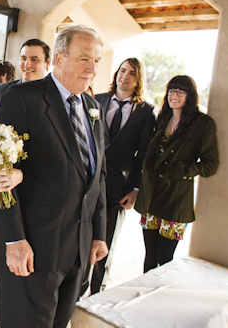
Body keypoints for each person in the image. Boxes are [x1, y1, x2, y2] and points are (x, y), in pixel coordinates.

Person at [0, 25, 108, 328]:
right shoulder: (22, 98)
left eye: (96, 60)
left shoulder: (93, 107)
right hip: (34, 247)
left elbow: (98, 177)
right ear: (59, 58)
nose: (92, 68)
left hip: (79, 251)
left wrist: (98, 233)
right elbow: (0, 175)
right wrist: (14, 239)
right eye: (84, 59)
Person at [0, 38, 51, 328]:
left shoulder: (53, 97)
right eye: (23, 58)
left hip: (38, 193)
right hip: (1, 190)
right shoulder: (4, 91)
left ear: (47, 63)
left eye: (34, 59)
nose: (27, 65)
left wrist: (24, 173)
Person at [135, 75, 219, 273]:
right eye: (171, 91)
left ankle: (161, 299)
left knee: (165, 259)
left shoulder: (202, 124)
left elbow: (210, 164)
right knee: (149, 257)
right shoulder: (163, 118)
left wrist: (182, 170)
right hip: (152, 196)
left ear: (189, 96)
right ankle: (145, 298)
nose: (174, 95)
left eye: (180, 91)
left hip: (175, 199)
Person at [85, 58, 155, 295]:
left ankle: (97, 293)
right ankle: (74, 288)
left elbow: (143, 154)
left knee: (106, 240)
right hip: (88, 179)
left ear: (138, 80)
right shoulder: (96, 100)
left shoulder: (146, 112)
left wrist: (136, 188)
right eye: (122, 70)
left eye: (132, 73)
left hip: (119, 186)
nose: (125, 76)